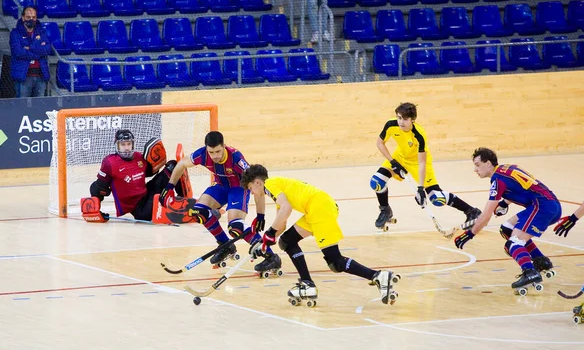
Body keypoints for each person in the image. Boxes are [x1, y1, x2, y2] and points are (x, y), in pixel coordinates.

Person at [243, 164, 400, 306]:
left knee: (335, 261)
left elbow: (286, 209)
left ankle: (378, 276)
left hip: (319, 208)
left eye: (250, 189)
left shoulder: (270, 184)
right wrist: (264, 242)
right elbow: (281, 223)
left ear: (258, 182)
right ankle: (307, 283)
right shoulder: (278, 188)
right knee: (286, 241)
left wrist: (270, 233)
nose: (252, 193)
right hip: (315, 209)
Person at [160, 131, 281, 272]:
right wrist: (170, 186)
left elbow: (257, 184)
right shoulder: (203, 154)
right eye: (211, 152)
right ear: (206, 149)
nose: (215, 156)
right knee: (199, 212)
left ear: (224, 146)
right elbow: (181, 164)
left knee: (235, 227)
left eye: (218, 151)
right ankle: (225, 245)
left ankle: (272, 257)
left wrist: (260, 215)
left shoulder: (236, 158)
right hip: (220, 187)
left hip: (239, 188)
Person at [454, 147, 562, 293]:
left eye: (477, 165)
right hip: (549, 204)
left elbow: (486, 216)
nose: (475, 169)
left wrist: (470, 234)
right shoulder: (507, 168)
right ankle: (541, 261)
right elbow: (524, 186)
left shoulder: (497, 181)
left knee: (512, 243)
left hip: (541, 207)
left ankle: (530, 272)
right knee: (507, 229)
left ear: (488, 163)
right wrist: (505, 203)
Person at [370, 102, 481, 230]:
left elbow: (422, 162)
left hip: (418, 162)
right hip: (400, 157)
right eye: (399, 117)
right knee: (377, 181)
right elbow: (379, 143)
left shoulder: (419, 134)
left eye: (405, 119)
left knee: (436, 198)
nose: (401, 122)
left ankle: (472, 211)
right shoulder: (391, 124)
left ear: (413, 120)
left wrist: (420, 189)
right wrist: (393, 161)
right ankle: (385, 210)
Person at [82, 130, 185, 222]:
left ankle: (184, 198)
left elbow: (151, 172)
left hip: (147, 193)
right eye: (123, 144)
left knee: (173, 166)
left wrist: (158, 162)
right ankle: (175, 207)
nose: (126, 148)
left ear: (133, 144)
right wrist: (95, 209)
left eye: (129, 144)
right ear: (117, 145)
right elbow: (98, 187)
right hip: (138, 208)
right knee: (158, 204)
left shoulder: (139, 157)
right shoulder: (110, 163)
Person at [9, 6, 51, 98]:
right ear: (23, 18)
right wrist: (38, 51)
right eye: (28, 17)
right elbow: (19, 52)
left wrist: (29, 47)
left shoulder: (42, 32)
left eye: (34, 17)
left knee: (40, 106)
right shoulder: (15, 34)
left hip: (41, 75)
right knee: (22, 106)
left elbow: (47, 49)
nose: (31, 19)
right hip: (23, 76)